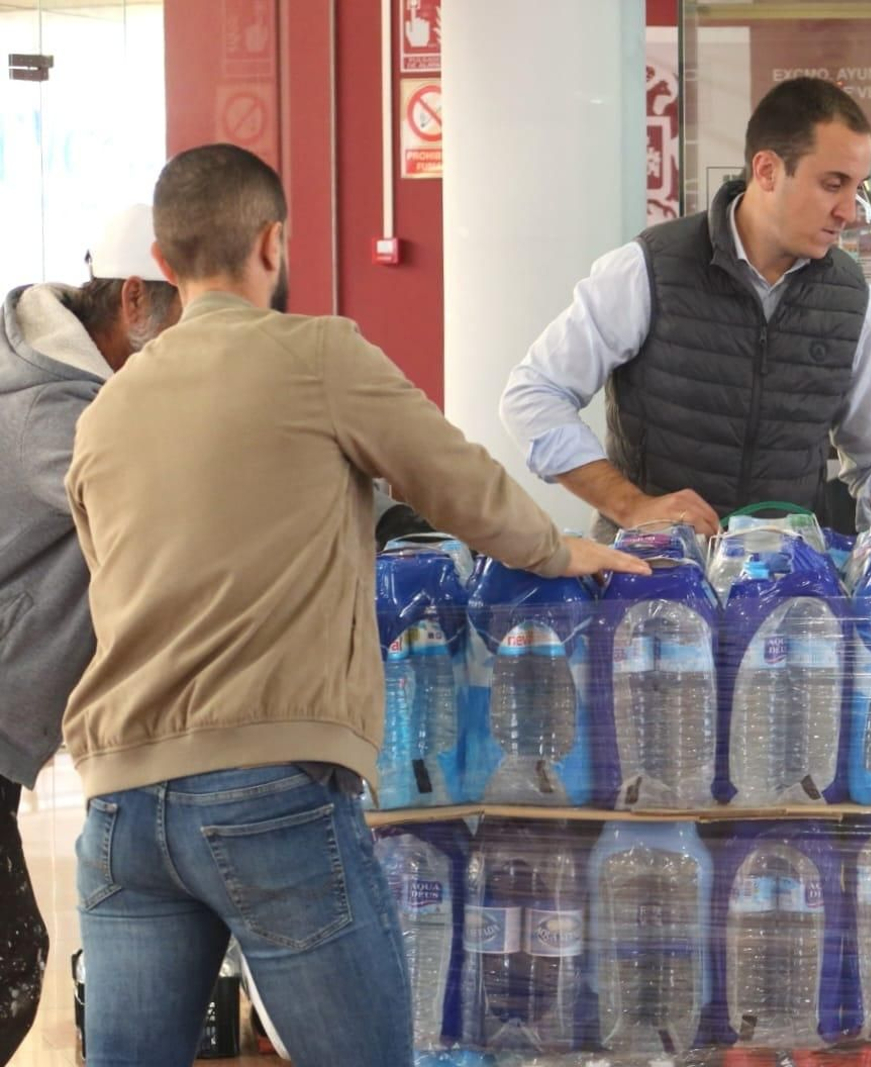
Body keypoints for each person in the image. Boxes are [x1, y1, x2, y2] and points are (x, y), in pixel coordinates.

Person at [62, 143, 647, 1067]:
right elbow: (453, 478)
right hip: (266, 784)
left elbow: (109, 577)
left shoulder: (106, 410)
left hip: (119, 800)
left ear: (163, 263)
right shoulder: (316, 355)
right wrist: (557, 548)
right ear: (273, 242)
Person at [500, 76, 871, 542]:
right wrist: (632, 506)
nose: (849, 210)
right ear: (766, 171)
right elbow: (534, 395)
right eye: (832, 185)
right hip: (650, 571)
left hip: (789, 577)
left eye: (857, 188)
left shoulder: (853, 299)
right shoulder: (648, 269)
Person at [0, 205, 181, 1062]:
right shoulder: (57, 412)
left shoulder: (73, 390)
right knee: (10, 963)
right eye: (184, 329)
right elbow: (173, 508)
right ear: (134, 300)